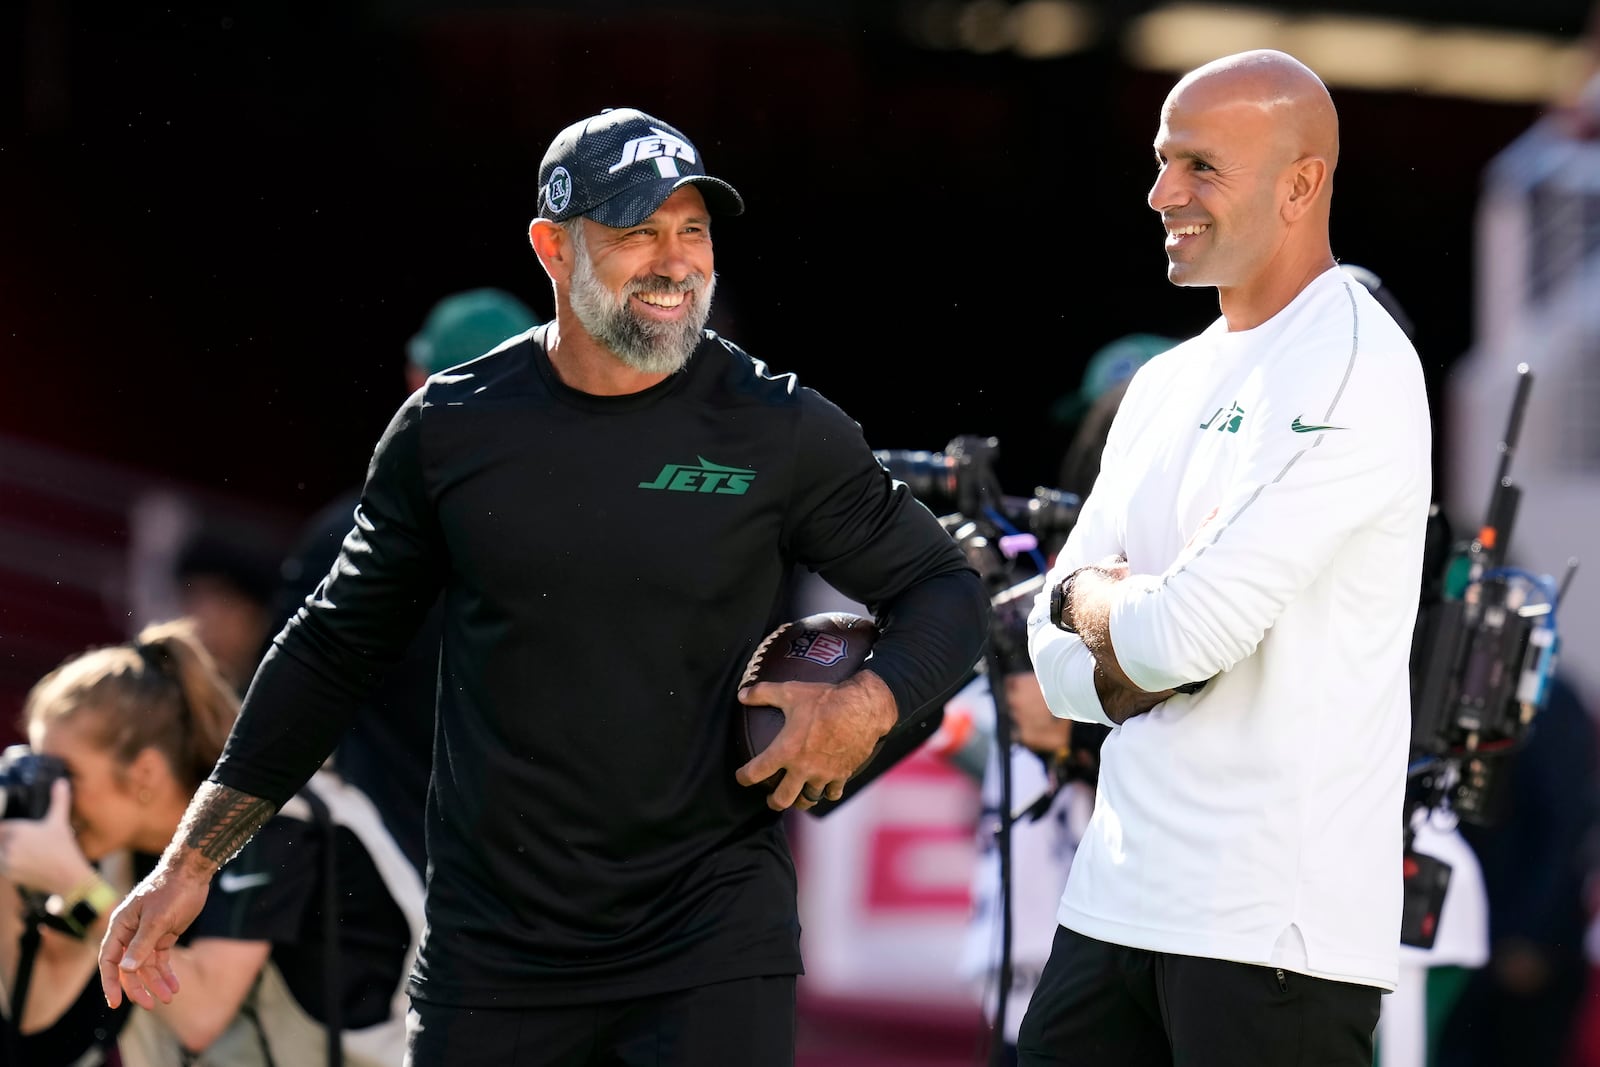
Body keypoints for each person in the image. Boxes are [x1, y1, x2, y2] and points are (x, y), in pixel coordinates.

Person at [99, 106, 991, 1067]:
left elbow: (945, 587)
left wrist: (871, 699)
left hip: (710, 942)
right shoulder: (450, 427)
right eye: (637, 231)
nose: (675, 259)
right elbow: (331, 647)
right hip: (492, 957)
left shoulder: (779, 426)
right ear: (552, 248)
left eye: (693, 230)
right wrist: (192, 859)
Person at [1018, 49, 1432, 1067]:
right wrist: (1119, 614)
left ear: (1301, 183)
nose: (1163, 193)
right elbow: (1051, 652)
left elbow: (1184, 634)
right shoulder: (1162, 380)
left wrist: (1097, 603)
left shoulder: (1356, 362)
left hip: (1270, 929)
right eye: (1163, 161)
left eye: (1200, 165)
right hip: (1113, 899)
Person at [0, 618, 420, 1067]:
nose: (56, 799)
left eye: (67, 776)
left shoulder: (273, 823)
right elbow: (40, 1020)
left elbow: (200, 1015)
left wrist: (77, 888)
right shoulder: (116, 849)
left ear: (145, 772)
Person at [270, 286, 542, 876]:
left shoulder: (345, 537)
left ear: (418, 380)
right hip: (516, 885)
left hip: (368, 881)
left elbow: (282, 714)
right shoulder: (586, 543)